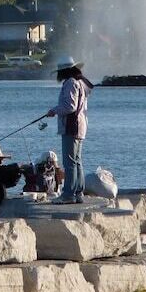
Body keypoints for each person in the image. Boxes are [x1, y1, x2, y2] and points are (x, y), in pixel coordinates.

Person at [46, 56, 94, 204]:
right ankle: (78, 192)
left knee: (70, 162)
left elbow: (70, 106)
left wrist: (54, 110)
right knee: (77, 161)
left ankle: (68, 194)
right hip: (80, 127)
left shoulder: (70, 83)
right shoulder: (79, 82)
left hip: (71, 127)